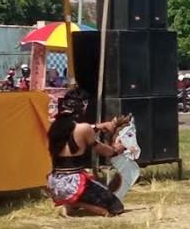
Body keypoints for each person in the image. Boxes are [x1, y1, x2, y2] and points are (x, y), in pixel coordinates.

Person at [46, 88, 128, 217]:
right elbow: (105, 151)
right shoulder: (83, 129)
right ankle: (76, 203)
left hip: (55, 183)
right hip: (73, 183)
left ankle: (71, 201)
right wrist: (117, 150)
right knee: (116, 207)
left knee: (94, 182)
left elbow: (78, 130)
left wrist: (99, 126)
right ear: (83, 106)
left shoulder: (55, 126)